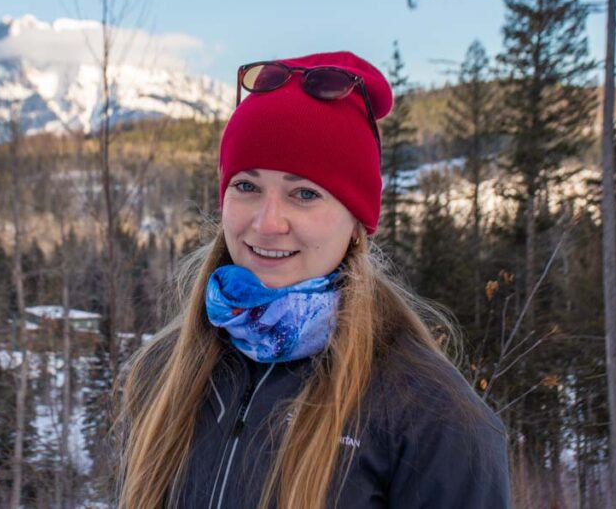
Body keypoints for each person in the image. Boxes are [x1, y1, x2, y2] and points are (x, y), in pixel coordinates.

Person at [116, 51, 511, 508]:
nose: (267, 223)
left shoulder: (431, 416)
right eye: (247, 186)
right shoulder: (163, 373)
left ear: (356, 223)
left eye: (304, 193)